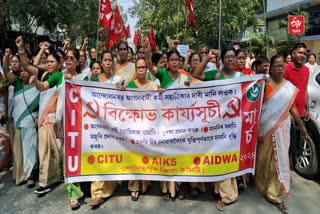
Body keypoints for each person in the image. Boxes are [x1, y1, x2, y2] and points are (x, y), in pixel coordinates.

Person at [29, 46, 88, 210]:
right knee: (68, 156)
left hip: (80, 124)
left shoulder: (85, 77)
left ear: (77, 61)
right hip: (63, 123)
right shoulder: (58, 76)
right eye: (66, 58)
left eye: (71, 58)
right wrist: (36, 83)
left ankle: (83, 185)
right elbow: (43, 86)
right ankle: (73, 194)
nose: (68, 60)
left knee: (78, 156)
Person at [255, 54, 308, 214]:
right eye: (277, 66)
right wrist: (257, 130)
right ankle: (265, 186)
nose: (280, 69)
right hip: (265, 128)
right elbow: (257, 109)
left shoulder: (288, 87)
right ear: (270, 68)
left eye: (282, 66)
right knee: (264, 162)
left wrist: (302, 126)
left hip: (282, 129)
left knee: (280, 161)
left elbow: (291, 108)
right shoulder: (263, 85)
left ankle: (276, 195)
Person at [192, 47, 242, 211]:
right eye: (226, 57)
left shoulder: (242, 78)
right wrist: (207, 58)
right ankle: (220, 191)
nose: (229, 59)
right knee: (218, 157)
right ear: (221, 60)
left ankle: (226, 195)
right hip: (216, 123)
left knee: (228, 158)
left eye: (232, 57)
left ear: (235, 60)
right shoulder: (216, 75)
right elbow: (196, 75)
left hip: (233, 125)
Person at [16, 36, 63, 194]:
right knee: (44, 150)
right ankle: (44, 181)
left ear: (59, 63)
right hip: (44, 120)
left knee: (56, 150)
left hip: (56, 119)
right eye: (47, 61)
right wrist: (21, 50)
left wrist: (36, 83)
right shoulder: (44, 74)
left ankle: (55, 178)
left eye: (52, 62)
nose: (49, 64)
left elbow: (43, 87)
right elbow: (27, 66)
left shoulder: (59, 76)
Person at [144, 37, 189, 201]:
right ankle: (165, 189)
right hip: (164, 122)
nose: (175, 62)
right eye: (172, 60)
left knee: (179, 155)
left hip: (180, 122)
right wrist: (147, 52)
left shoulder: (185, 78)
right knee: (166, 155)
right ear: (168, 62)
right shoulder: (163, 74)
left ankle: (179, 187)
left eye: (177, 59)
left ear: (180, 61)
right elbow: (150, 67)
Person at [126, 58, 163, 201]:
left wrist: (161, 93)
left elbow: (158, 104)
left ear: (147, 69)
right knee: (134, 156)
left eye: (143, 67)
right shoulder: (130, 85)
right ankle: (134, 187)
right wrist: (120, 89)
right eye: (139, 67)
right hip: (134, 126)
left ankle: (145, 183)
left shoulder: (153, 86)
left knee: (145, 156)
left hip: (148, 126)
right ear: (136, 69)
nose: (141, 70)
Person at [90, 50, 122, 208]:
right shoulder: (94, 79)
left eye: (110, 60)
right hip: (97, 124)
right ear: (101, 63)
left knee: (110, 155)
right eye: (105, 60)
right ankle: (97, 193)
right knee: (98, 156)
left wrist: (120, 89)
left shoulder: (119, 80)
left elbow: (124, 101)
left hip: (114, 124)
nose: (108, 63)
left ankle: (112, 185)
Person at [3, 50, 39, 188]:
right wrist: (6, 56)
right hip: (19, 122)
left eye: (26, 70)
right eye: (21, 71)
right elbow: (6, 70)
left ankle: (31, 175)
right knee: (19, 150)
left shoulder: (37, 85)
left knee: (31, 148)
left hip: (31, 122)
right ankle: (22, 175)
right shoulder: (16, 82)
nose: (23, 73)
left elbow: (41, 104)